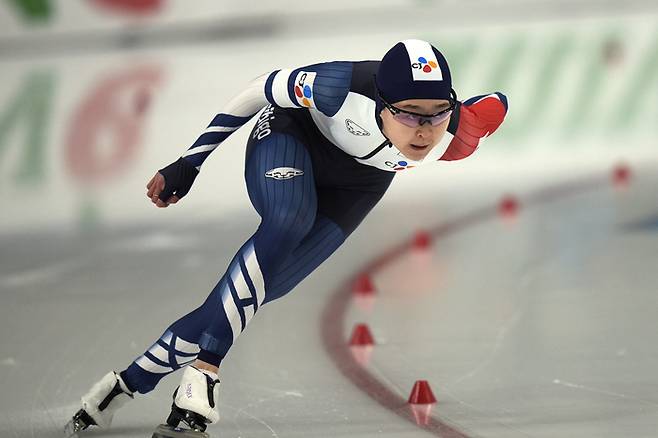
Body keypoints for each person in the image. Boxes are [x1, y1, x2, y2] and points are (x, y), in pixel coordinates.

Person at [65, 39, 508, 436]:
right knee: (289, 221)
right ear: (379, 102)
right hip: (291, 136)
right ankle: (205, 371)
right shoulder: (338, 87)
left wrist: (476, 112)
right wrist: (191, 161)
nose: (425, 129)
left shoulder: (457, 135)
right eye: (409, 113)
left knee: (260, 288)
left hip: (358, 185)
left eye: (437, 114)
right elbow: (259, 88)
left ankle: (124, 385)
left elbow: (495, 104)